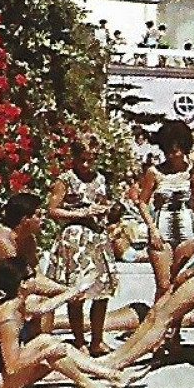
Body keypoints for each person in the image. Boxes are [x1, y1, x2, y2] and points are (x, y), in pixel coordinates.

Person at [102, 161, 194, 371]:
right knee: (155, 311)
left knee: (163, 316)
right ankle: (118, 357)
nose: (190, 189)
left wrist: (188, 272)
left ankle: (118, 362)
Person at [0, 260, 127, 388]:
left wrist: (77, 289)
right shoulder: (9, 320)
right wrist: (45, 353)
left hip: (4, 377)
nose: (36, 279)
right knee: (50, 349)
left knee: (49, 342)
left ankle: (113, 375)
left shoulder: (15, 303)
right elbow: (12, 367)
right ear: (23, 284)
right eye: (32, 277)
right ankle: (87, 384)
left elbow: (45, 307)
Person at [45, 139, 121, 355]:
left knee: (102, 289)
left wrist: (108, 209)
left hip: (97, 237)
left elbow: (103, 202)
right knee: (77, 290)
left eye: (91, 160)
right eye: (83, 161)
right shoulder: (66, 180)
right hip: (76, 238)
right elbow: (53, 209)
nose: (87, 166)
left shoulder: (100, 179)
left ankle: (97, 339)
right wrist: (80, 213)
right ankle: (79, 340)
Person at [0, 192, 62, 318]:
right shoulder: (3, 241)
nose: (43, 219)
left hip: (2, 289)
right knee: (36, 301)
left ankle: (42, 336)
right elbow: (24, 282)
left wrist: (65, 291)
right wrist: (67, 292)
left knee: (43, 299)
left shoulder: (29, 240)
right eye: (38, 215)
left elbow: (36, 275)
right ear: (24, 220)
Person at [138, 119, 194, 301]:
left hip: (188, 227)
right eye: (168, 150)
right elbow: (142, 202)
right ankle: (158, 324)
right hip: (161, 226)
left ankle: (174, 328)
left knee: (181, 282)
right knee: (164, 285)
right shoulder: (154, 172)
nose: (172, 155)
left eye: (176, 149)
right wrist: (152, 229)